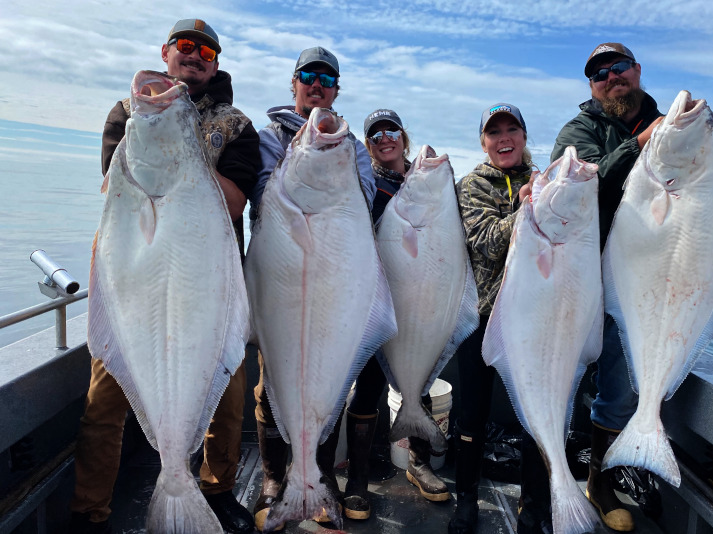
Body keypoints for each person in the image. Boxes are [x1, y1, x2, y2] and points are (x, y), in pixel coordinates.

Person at [68, 19, 260, 534]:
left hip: (208, 285)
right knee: (104, 400)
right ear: (167, 52)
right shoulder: (127, 112)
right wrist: (159, 120)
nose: (194, 55)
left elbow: (238, 199)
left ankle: (216, 491)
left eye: (206, 50)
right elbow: (115, 181)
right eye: (184, 46)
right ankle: (90, 510)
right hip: (133, 282)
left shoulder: (237, 125)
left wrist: (185, 155)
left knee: (228, 394)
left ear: (215, 63)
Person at [248, 46, 376, 531]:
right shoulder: (268, 137)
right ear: (294, 83)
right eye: (308, 75)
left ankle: (319, 478)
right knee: (270, 383)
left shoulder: (354, 147)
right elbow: (263, 193)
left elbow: (361, 201)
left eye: (326, 77)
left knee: (328, 381)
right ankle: (275, 480)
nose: (316, 83)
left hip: (329, 279)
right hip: (280, 280)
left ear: (336, 89)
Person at [550, 42, 664, 532]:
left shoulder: (668, 124)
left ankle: (598, 481)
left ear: (637, 71)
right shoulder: (580, 130)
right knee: (558, 376)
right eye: (600, 73)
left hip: (641, 279)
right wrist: (640, 145)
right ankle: (547, 480)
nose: (611, 77)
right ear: (591, 85)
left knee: (617, 386)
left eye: (619, 68)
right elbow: (584, 184)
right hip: (580, 276)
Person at [341, 109, 451, 522]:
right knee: (367, 388)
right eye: (374, 135)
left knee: (418, 383)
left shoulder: (428, 181)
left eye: (391, 131)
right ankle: (357, 478)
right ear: (368, 146)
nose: (384, 138)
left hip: (420, 299)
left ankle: (418, 463)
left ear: (403, 137)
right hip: (375, 301)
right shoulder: (364, 183)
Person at [450, 104, 552, 534]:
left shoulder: (548, 182)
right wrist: (525, 207)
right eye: (494, 132)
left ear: (525, 137)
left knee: (535, 417)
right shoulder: (471, 185)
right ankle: (466, 500)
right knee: (470, 415)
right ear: (484, 142)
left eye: (512, 129)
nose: (504, 137)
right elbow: (486, 242)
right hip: (482, 318)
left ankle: (535, 508)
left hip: (533, 320)